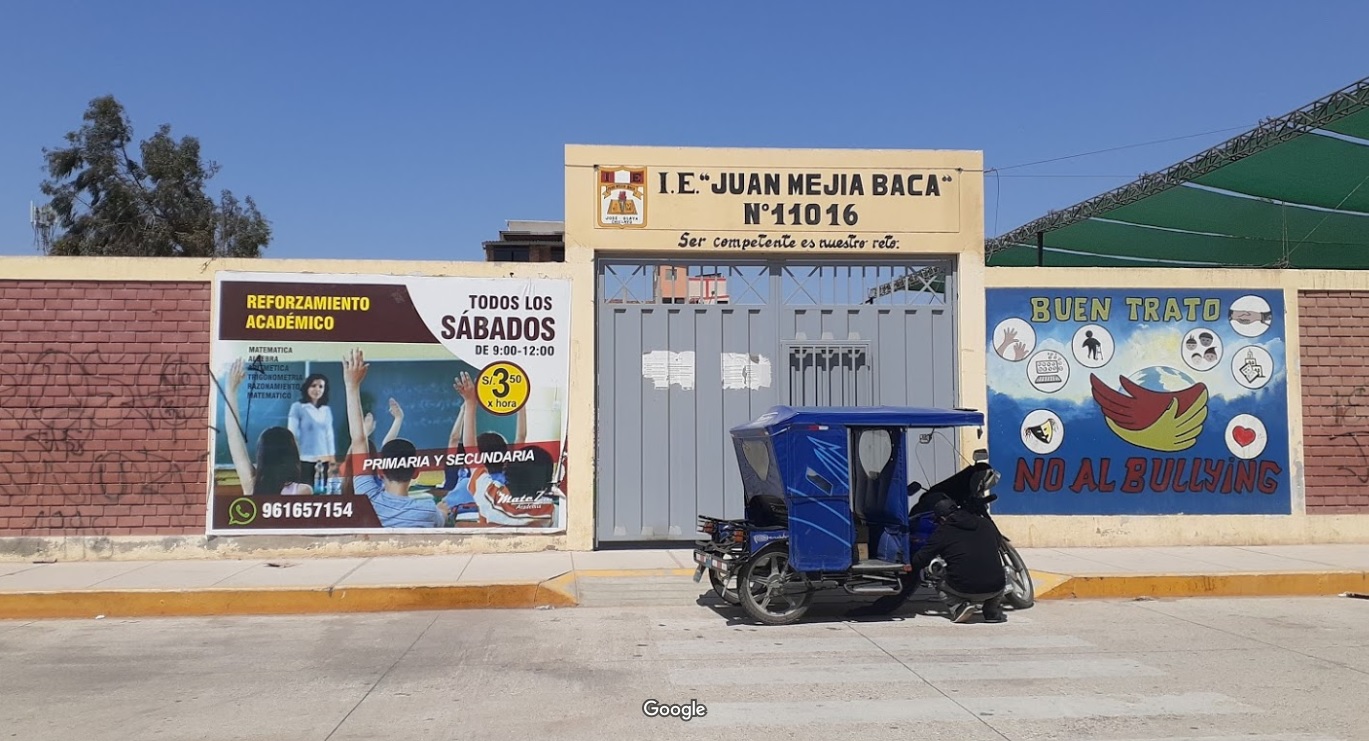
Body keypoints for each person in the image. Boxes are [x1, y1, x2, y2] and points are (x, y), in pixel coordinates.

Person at [341, 349, 447, 528]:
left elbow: (358, 440)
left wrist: (352, 386)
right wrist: (442, 511)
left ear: (381, 470)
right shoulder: (427, 511)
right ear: (416, 472)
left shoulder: (367, 499)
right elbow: (441, 518)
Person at [222, 358, 313, 497]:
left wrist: (231, 390)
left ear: (262, 454)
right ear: (291, 454)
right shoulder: (303, 491)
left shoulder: (251, 485)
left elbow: (233, 436)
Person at [910, 498, 1007, 623]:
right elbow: (998, 542)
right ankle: (991, 611)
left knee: (934, 577)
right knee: (1001, 574)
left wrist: (908, 562)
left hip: (965, 588)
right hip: (996, 588)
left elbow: (920, 560)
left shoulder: (943, 531)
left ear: (943, 518)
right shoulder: (985, 523)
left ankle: (958, 607)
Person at [289, 373, 336, 486]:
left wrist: (332, 460)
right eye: (313, 385)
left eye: (321, 386)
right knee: (306, 493)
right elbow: (291, 434)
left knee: (322, 492)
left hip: (323, 460)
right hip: (304, 460)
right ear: (307, 387)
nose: (317, 389)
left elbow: (329, 435)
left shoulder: (326, 410)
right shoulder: (297, 407)